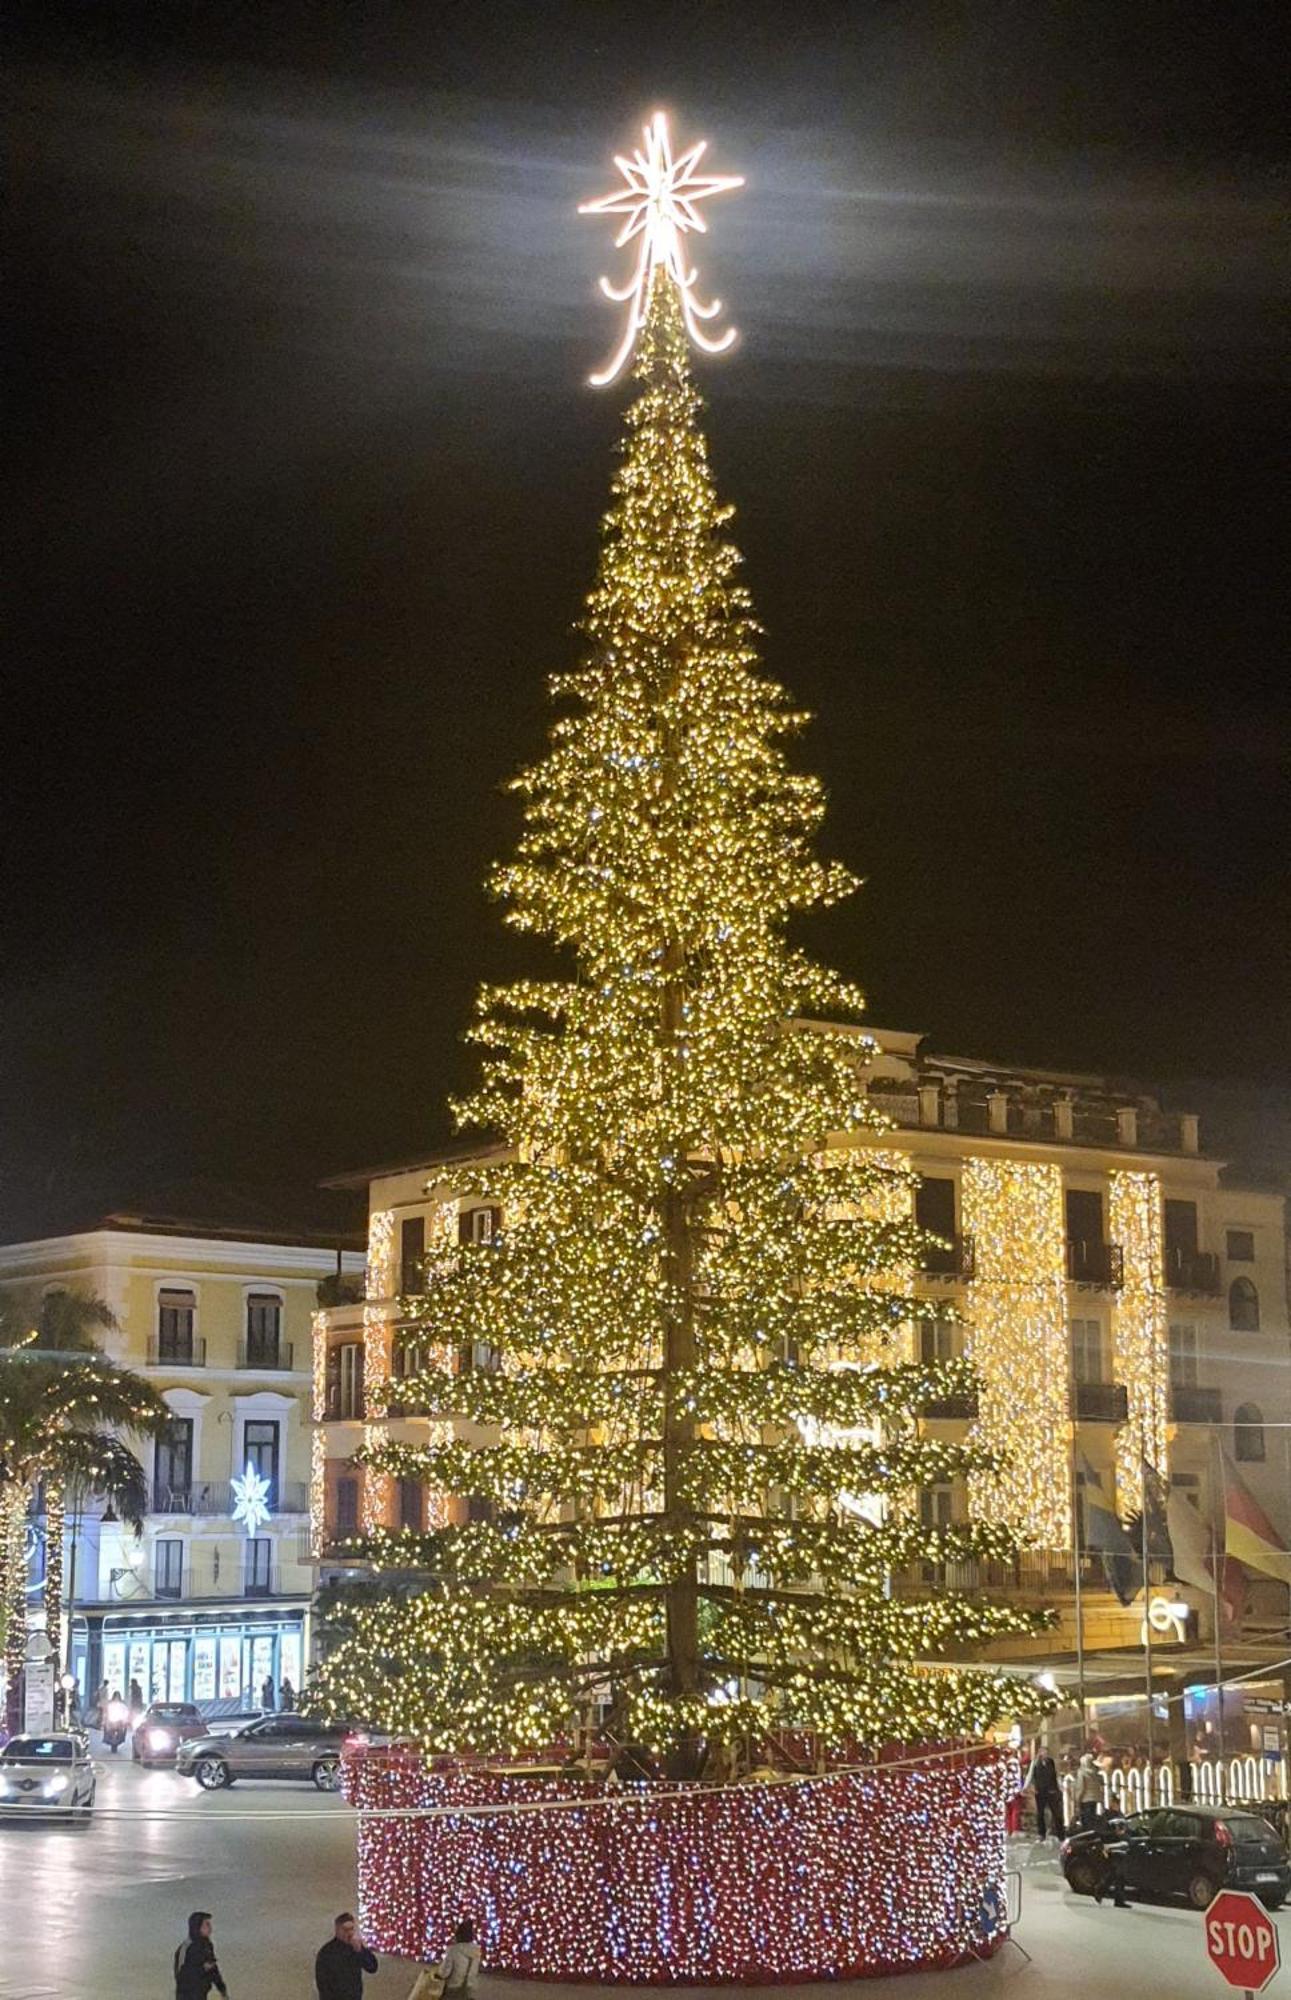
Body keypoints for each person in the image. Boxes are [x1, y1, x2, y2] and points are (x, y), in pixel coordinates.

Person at [315, 1912, 378, 1999]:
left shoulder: (356, 1947)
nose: (349, 1933)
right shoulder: (327, 1952)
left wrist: (360, 1951)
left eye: (351, 1929)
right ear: (337, 1930)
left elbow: (372, 1968)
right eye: (345, 1929)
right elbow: (322, 1984)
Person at [174, 1911, 228, 1998]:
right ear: (197, 1927)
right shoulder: (186, 1947)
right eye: (207, 1925)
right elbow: (181, 1975)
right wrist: (202, 1969)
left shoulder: (207, 1946)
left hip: (201, 1994)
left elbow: (213, 1969)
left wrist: (222, 1989)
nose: (210, 1928)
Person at [438, 1921, 482, 1999]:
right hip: (468, 1989)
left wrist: (438, 1973)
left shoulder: (453, 1950)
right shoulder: (476, 1951)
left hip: (453, 1989)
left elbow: (445, 1972)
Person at [1031, 1747, 1064, 1839]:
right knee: (1040, 1813)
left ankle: (1060, 1833)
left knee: (1056, 1812)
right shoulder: (1036, 1763)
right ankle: (1041, 1833)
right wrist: (1032, 1787)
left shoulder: (1051, 1762)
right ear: (1040, 1753)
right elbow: (1032, 1776)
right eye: (1043, 1752)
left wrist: (1058, 1787)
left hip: (1051, 1790)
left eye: (1046, 1752)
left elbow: (1055, 1775)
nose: (1045, 1754)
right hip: (1040, 1791)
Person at [1075, 1752, 1104, 1832]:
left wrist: (1077, 1799)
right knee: (1092, 1819)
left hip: (1085, 1799)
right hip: (1094, 1799)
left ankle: (1087, 1837)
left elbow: (1081, 1787)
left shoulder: (1081, 1772)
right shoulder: (1095, 1772)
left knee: (1086, 1821)